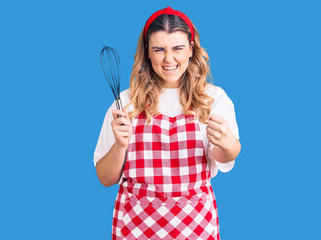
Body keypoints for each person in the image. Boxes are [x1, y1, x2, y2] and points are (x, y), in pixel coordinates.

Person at [93, 6, 241, 240]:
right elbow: (105, 178)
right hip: (136, 228)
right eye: (159, 49)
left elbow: (225, 157)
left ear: (191, 50)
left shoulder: (213, 98)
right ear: (147, 52)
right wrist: (120, 145)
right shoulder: (125, 102)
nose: (168, 58)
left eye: (178, 48)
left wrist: (229, 143)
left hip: (195, 227)